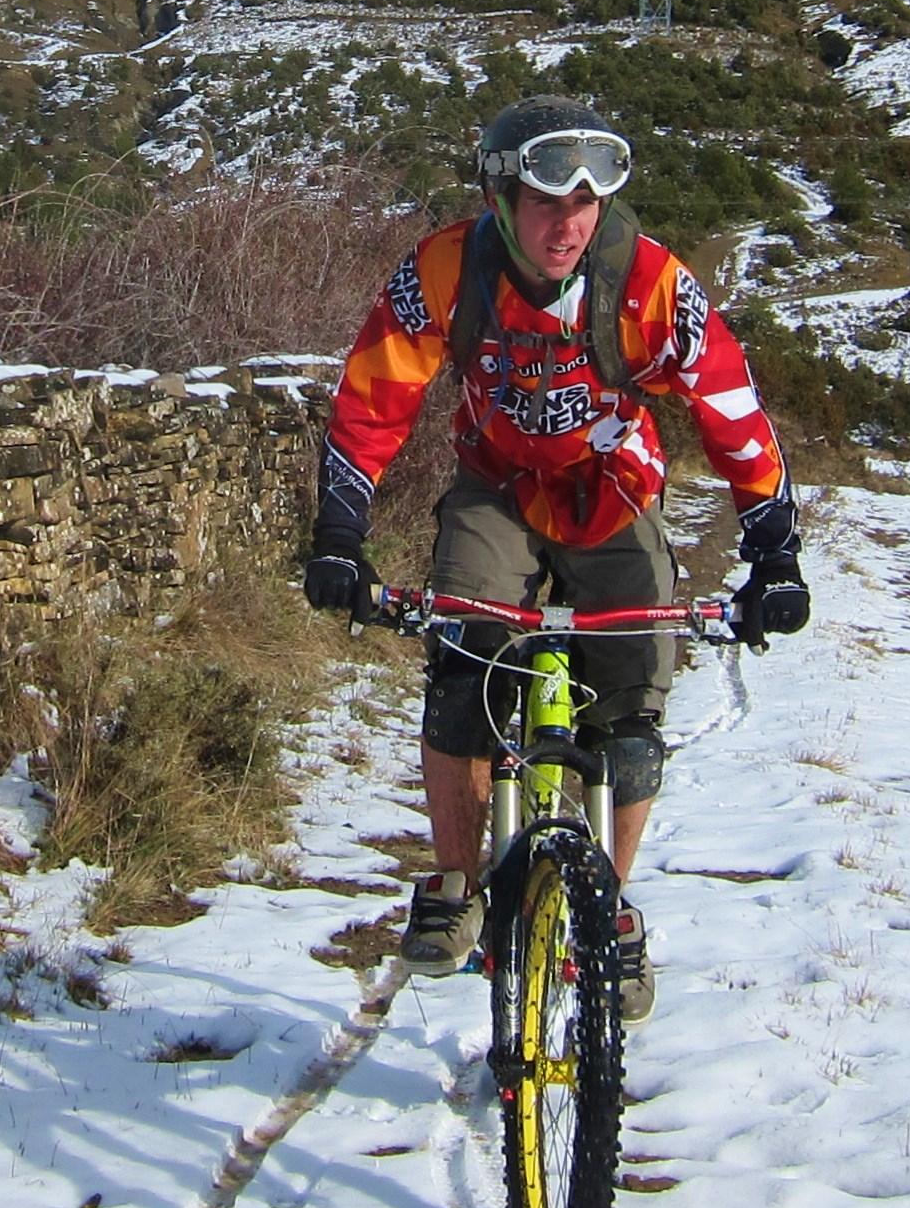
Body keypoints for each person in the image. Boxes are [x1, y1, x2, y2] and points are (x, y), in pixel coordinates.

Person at [305, 96, 810, 1019]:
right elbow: (371, 399)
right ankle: (456, 884)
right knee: (463, 658)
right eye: (546, 200)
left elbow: (732, 410)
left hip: (613, 492)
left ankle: (610, 906)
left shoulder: (649, 282)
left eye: (587, 204)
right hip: (497, 486)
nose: (569, 223)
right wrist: (341, 535)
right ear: (499, 196)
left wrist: (774, 550)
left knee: (631, 702)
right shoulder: (447, 271)